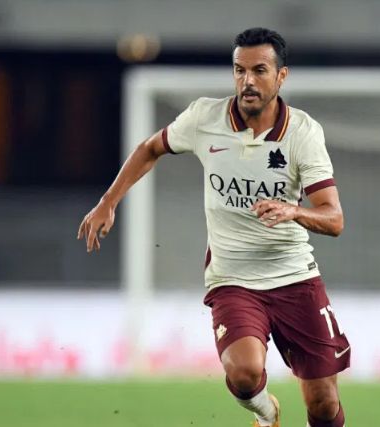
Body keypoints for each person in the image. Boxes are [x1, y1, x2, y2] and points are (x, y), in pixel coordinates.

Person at [77, 27, 349, 427]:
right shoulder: (205, 118)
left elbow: (334, 218)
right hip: (232, 278)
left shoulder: (302, 133)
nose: (247, 81)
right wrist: (108, 201)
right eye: (240, 70)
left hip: (295, 277)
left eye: (259, 70)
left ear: (281, 76)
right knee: (244, 374)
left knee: (323, 404)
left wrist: (294, 212)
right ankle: (267, 414)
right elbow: (150, 148)